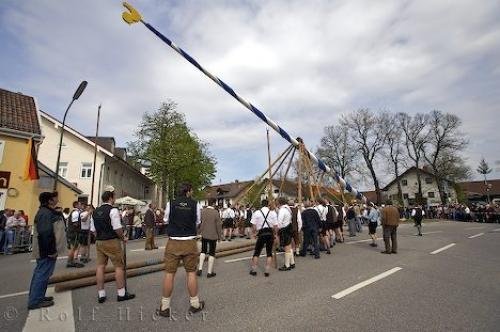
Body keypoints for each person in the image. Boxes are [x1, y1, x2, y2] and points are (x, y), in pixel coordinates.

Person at [159, 183, 204, 318]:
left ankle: (165, 307)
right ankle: (195, 304)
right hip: (189, 241)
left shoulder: (170, 203)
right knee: (191, 273)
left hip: (173, 241)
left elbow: (166, 219)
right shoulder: (195, 204)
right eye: (191, 191)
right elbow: (197, 221)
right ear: (188, 191)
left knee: (169, 273)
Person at [91, 190, 135, 303]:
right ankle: (121, 293)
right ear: (111, 198)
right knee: (119, 266)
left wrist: (99, 237)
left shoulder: (95, 211)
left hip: (99, 241)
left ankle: (101, 294)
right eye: (114, 197)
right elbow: (117, 228)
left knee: (100, 267)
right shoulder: (113, 210)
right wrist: (123, 238)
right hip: (111, 240)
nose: (115, 199)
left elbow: (93, 230)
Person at [28, 192, 66, 310]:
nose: (57, 200)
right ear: (50, 201)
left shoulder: (48, 212)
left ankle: (39, 296)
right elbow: (45, 233)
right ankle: (35, 300)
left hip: (46, 249)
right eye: (55, 198)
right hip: (46, 250)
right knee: (42, 274)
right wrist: (51, 250)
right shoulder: (45, 213)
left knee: (44, 274)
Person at [249, 199, 278, 277]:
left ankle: (254, 270)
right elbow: (275, 226)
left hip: (261, 233)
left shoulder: (256, 213)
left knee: (257, 252)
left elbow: (253, 225)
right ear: (268, 204)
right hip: (270, 233)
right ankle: (267, 271)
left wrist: (255, 233)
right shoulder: (273, 213)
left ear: (261, 205)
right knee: (269, 252)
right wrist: (275, 234)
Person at [197, 198, 223, 278]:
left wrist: (199, 232)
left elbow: (200, 223)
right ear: (214, 204)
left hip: (204, 234)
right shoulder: (216, 212)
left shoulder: (203, 211)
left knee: (203, 251)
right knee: (212, 252)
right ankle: (209, 272)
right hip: (213, 235)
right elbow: (218, 226)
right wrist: (219, 236)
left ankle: (200, 269)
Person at [276, 197, 296, 271]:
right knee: (289, 246)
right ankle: (292, 262)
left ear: (279, 202)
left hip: (285, 229)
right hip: (288, 227)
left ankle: (287, 265)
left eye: (277, 201)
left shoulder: (282, 210)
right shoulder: (287, 208)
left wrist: (276, 231)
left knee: (286, 247)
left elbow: (279, 222)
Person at [66, 201, 84, 268]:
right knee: (73, 248)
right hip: (74, 232)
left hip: (73, 232)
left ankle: (71, 260)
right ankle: (70, 261)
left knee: (74, 247)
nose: (80, 205)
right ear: (76, 205)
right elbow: (75, 223)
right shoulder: (75, 213)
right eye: (79, 204)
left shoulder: (75, 212)